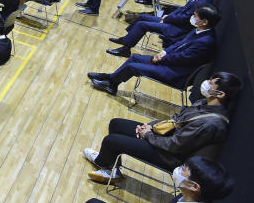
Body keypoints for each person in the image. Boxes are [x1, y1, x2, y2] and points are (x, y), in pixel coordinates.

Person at [82, 72, 239, 184]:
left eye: (211, 84)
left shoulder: (211, 124)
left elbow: (175, 146)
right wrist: (150, 126)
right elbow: (175, 120)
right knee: (116, 124)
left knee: (111, 141)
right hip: (163, 138)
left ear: (220, 94)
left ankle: (104, 164)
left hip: (169, 155)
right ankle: (111, 166)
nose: (206, 84)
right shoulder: (205, 103)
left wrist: (148, 135)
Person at [88, 5, 219, 95]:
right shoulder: (199, 30)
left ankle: (111, 83)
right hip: (169, 61)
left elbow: (183, 59)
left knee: (133, 66)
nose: (193, 18)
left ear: (204, 21)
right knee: (134, 58)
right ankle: (111, 81)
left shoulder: (206, 41)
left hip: (176, 73)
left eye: (195, 16)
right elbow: (179, 43)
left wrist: (161, 58)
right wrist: (164, 52)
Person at [111, 0, 216, 55]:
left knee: (141, 24)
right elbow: (182, 10)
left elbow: (185, 18)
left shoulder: (203, 3)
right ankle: (127, 39)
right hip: (173, 22)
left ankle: (125, 49)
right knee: (142, 17)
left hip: (178, 29)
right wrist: (167, 17)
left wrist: (166, 20)